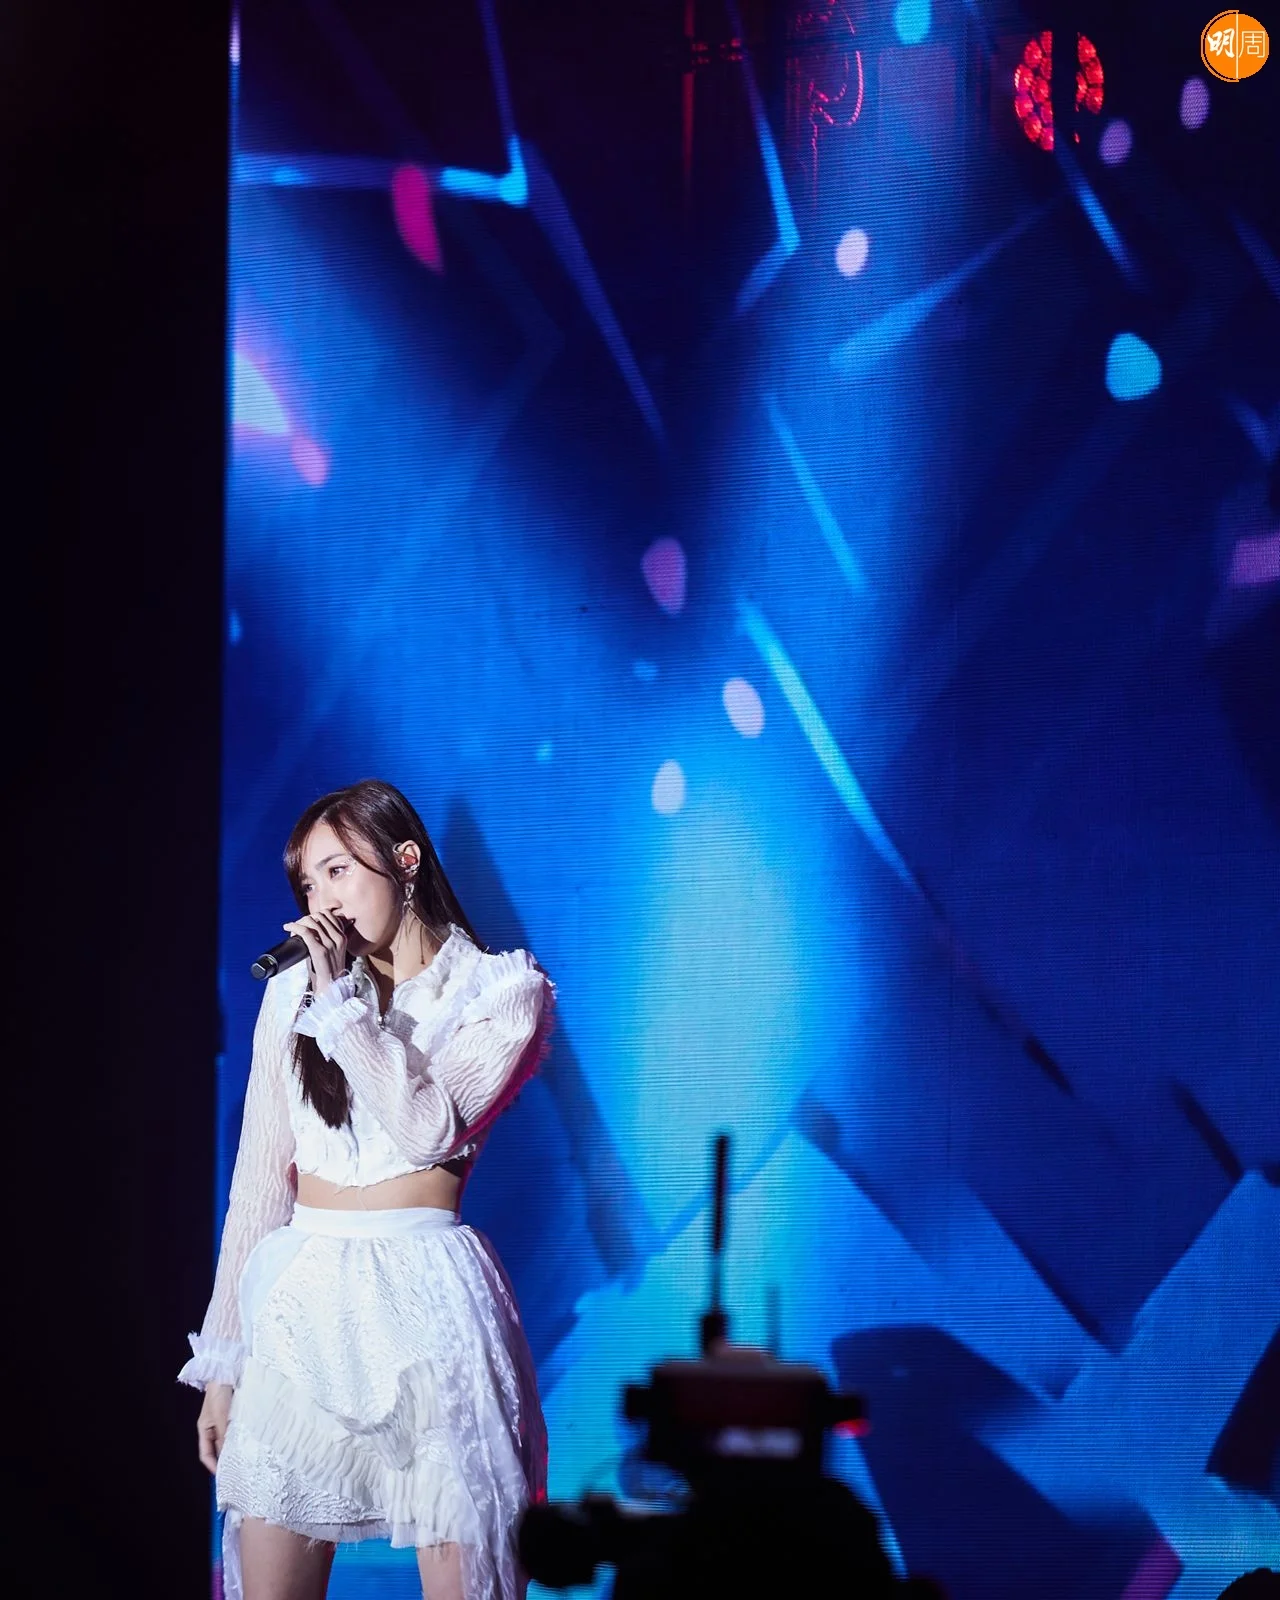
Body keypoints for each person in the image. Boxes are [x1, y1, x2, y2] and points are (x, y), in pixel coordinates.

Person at [179, 779, 555, 1600]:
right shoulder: (292, 995)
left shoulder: (502, 995)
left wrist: (342, 1007)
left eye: (338, 871)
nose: (321, 900)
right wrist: (223, 1367)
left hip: (428, 1305)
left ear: (405, 860)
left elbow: (427, 1129)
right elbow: (258, 1187)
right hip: (303, 1303)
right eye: (307, 883)